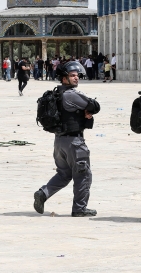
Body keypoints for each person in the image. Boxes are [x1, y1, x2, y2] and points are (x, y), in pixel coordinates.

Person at [33, 61, 100, 217]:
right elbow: (95, 106)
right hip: (74, 143)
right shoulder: (71, 94)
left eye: (77, 75)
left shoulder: (57, 93)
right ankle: (79, 209)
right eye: (72, 76)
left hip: (59, 142)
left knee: (64, 174)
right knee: (83, 175)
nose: (76, 78)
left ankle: (43, 193)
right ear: (64, 78)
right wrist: (87, 110)